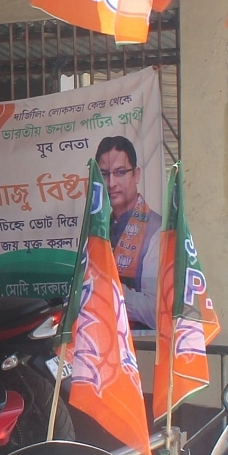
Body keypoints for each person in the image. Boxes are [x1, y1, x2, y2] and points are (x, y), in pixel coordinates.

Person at [96, 135, 161, 326]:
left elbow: (157, 310)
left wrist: (104, 291)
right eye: (104, 174)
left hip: (143, 347)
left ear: (136, 175)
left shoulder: (156, 232)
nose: (111, 183)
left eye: (120, 172)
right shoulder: (99, 229)